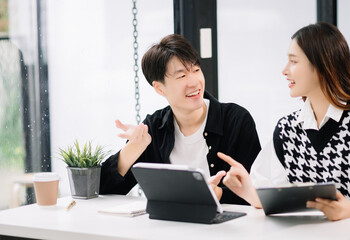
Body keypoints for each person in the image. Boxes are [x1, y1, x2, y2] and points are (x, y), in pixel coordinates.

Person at [217, 22, 350, 222]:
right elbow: (276, 197)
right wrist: (246, 190)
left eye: (293, 61)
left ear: (323, 65)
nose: (284, 70)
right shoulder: (286, 128)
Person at [100, 34, 261, 204]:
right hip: (169, 228)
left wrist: (218, 194)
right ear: (160, 88)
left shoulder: (236, 121)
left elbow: (257, 195)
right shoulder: (154, 128)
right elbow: (104, 189)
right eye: (182, 76)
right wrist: (134, 148)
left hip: (228, 228)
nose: (194, 82)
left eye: (196, 70)